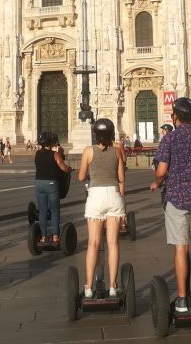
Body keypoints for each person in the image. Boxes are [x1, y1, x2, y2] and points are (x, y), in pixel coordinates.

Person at [150, 97, 191, 314]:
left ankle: (182, 299)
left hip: (176, 198)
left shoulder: (170, 139)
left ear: (174, 116)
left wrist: (156, 183)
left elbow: (160, 170)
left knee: (180, 248)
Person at [79, 118, 126, 298]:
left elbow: (82, 177)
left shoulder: (88, 151)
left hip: (96, 196)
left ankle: (89, 287)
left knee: (93, 243)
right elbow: (121, 178)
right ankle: (113, 286)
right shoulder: (117, 152)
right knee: (113, 243)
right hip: (114, 196)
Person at [34, 132, 72, 245]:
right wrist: (69, 169)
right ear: (51, 143)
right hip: (51, 184)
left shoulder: (37, 154)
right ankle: (55, 236)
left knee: (42, 211)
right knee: (55, 210)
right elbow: (63, 167)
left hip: (39, 184)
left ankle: (43, 237)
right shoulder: (55, 154)